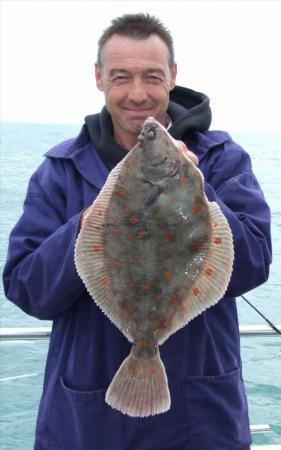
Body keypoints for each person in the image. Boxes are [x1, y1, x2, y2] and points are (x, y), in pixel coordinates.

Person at [2, 13, 271, 450]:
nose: (138, 94)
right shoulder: (61, 170)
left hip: (198, 419)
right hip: (87, 422)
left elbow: (254, 263)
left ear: (174, 76)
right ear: (99, 77)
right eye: (121, 76)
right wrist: (87, 226)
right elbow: (26, 289)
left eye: (152, 76)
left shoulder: (223, 159)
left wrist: (199, 196)